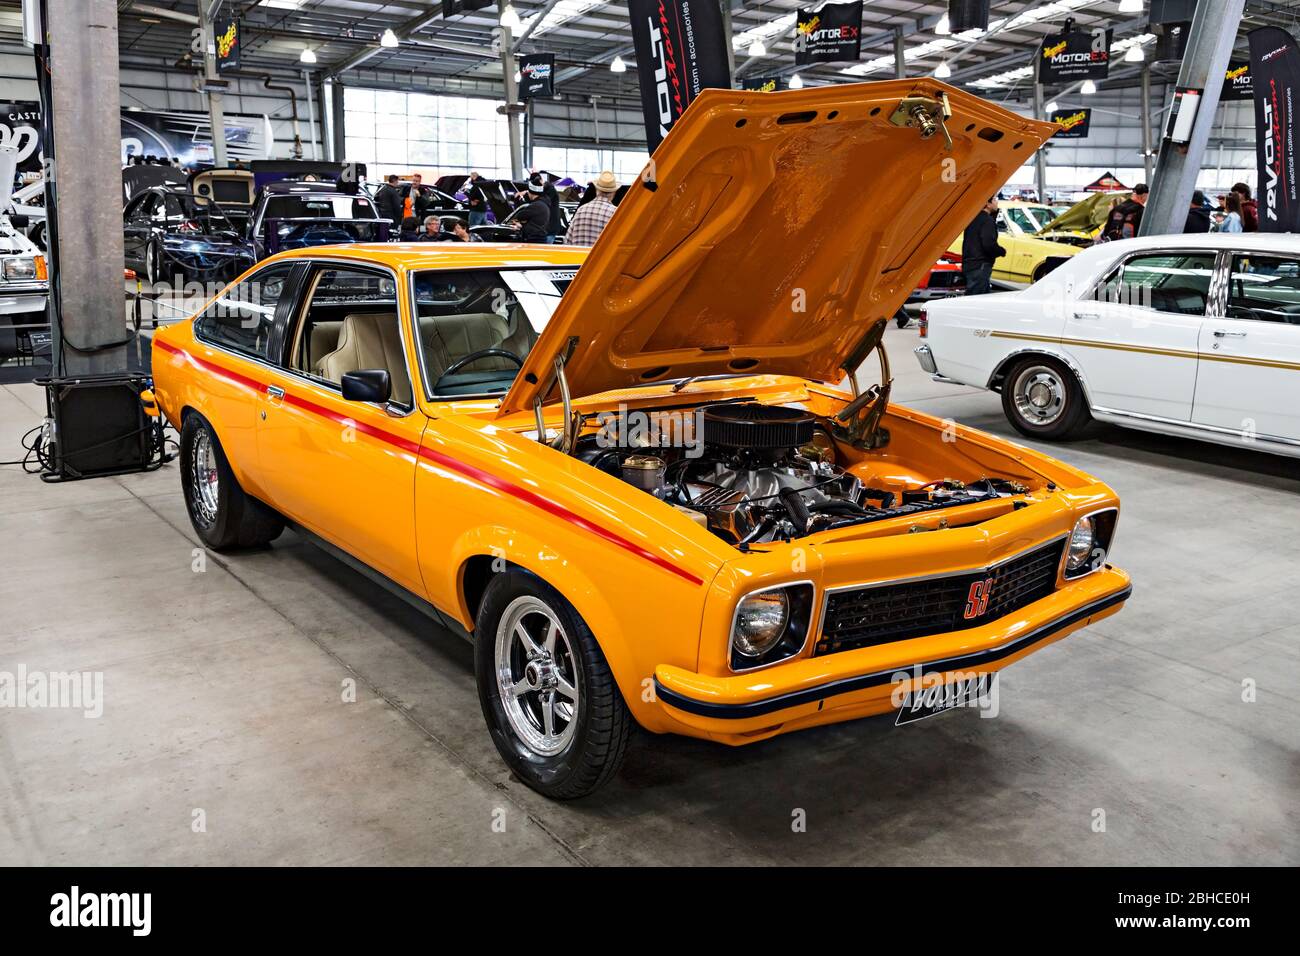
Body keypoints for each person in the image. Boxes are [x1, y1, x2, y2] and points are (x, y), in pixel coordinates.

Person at [960, 197, 1006, 296]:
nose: (997, 202)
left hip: (969, 263)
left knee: (975, 296)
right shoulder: (986, 220)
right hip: (980, 265)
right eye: (994, 200)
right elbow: (988, 244)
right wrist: (1001, 251)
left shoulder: (973, 218)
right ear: (987, 204)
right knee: (977, 299)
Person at [565, 170, 619, 246]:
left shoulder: (581, 210)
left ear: (597, 190)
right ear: (614, 192)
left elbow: (567, 241)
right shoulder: (615, 213)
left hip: (580, 257)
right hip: (602, 257)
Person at [510, 176, 552, 243]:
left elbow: (519, 216)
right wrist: (523, 225)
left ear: (531, 193)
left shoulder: (536, 205)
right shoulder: (544, 203)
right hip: (540, 238)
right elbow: (535, 223)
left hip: (535, 240)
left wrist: (521, 225)